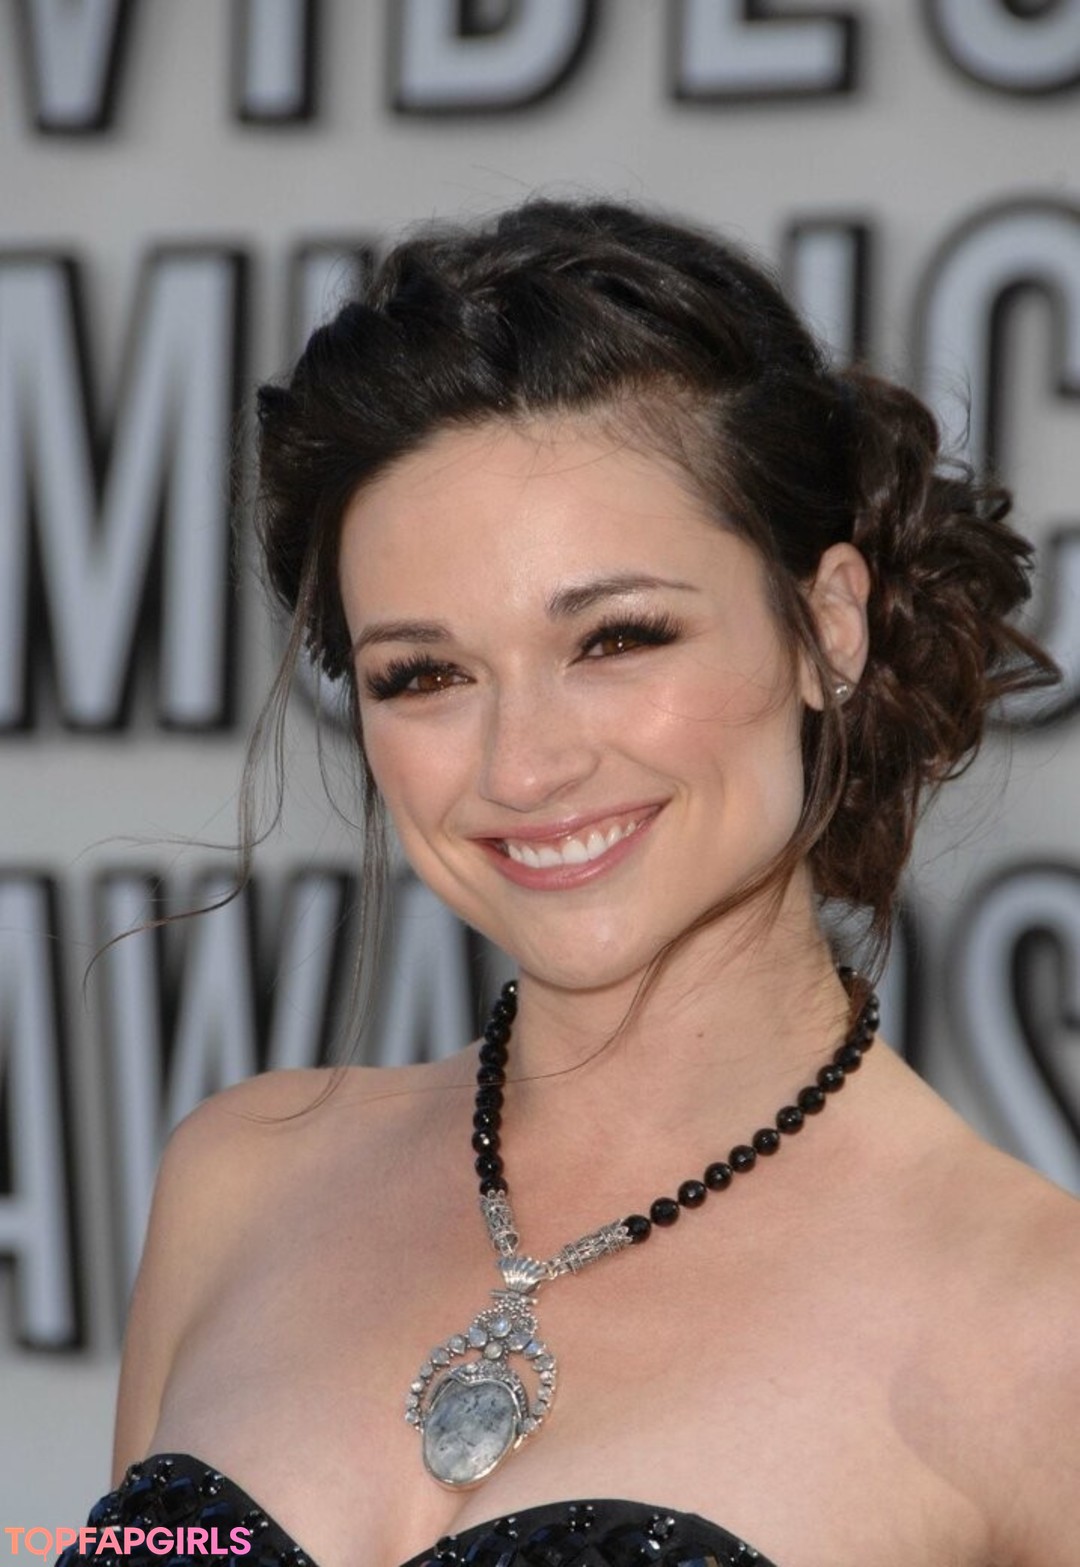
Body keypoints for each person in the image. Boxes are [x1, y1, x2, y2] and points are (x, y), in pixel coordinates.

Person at [63, 198, 1078, 1567]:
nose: (524, 766)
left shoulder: (1036, 1329)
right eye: (425, 674)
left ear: (825, 627)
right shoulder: (237, 1182)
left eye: (617, 639)